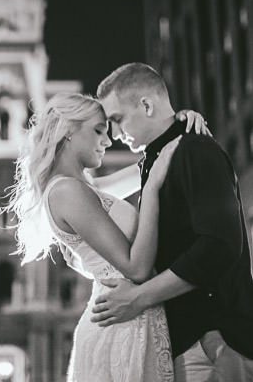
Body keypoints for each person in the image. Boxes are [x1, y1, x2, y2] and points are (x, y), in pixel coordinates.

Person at [5, 91, 209, 381]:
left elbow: (150, 167)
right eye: (99, 131)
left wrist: (179, 125)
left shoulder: (83, 189)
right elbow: (136, 268)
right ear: (68, 132)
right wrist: (150, 193)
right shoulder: (67, 191)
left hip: (126, 318)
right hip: (121, 325)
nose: (108, 140)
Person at [91, 63, 253, 381]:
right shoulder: (157, 160)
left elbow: (219, 246)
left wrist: (139, 298)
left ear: (147, 105)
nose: (114, 134)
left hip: (214, 339)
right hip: (186, 341)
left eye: (117, 120)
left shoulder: (194, 150)